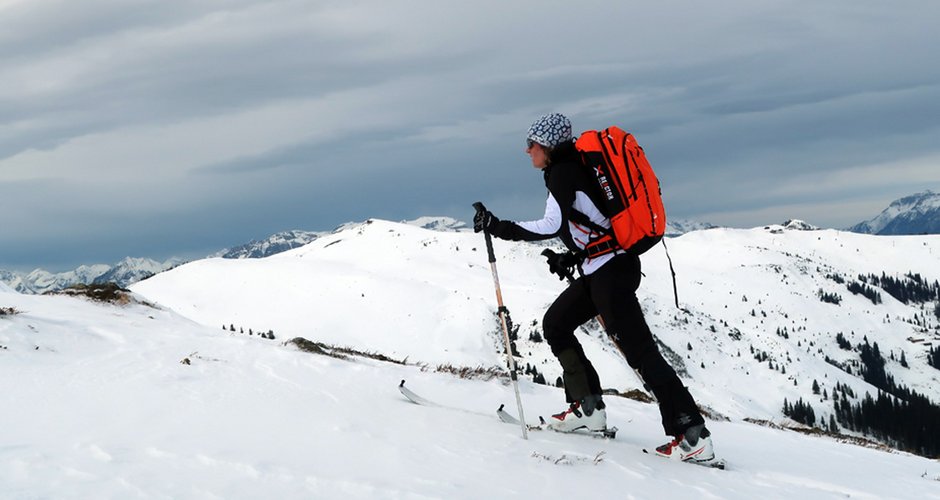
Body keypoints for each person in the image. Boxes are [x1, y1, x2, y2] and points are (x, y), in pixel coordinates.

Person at [473, 113, 715, 462]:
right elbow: (594, 220)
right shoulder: (573, 167)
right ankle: (589, 410)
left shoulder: (561, 173)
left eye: (532, 144)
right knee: (556, 324)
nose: (527, 151)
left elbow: (551, 225)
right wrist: (572, 257)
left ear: (547, 146)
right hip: (605, 266)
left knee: (641, 353)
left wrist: (498, 226)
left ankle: (692, 435)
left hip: (610, 273)